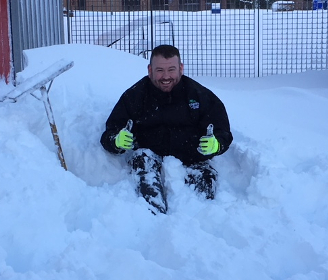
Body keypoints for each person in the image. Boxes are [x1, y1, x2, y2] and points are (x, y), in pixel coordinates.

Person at [100, 45, 233, 214]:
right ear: (150, 70)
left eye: (171, 69)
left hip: (193, 157)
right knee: (142, 161)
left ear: (181, 68)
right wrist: (116, 141)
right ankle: (152, 215)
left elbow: (223, 131)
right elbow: (110, 133)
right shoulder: (134, 97)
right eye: (160, 70)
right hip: (148, 157)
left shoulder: (199, 95)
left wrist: (217, 144)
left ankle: (200, 219)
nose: (166, 76)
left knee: (204, 195)